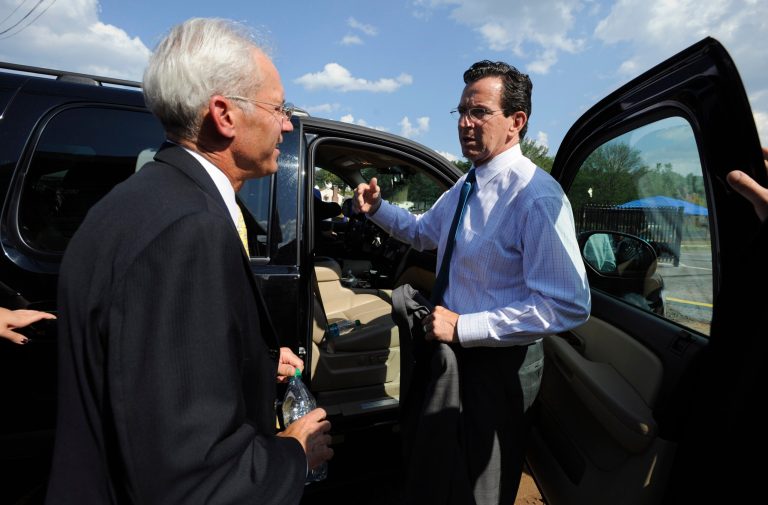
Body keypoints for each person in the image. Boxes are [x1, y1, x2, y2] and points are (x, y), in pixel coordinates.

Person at [46, 18, 332, 504]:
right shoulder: (187, 230)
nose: (287, 124)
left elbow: (151, 383)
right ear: (224, 115)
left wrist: (256, 367)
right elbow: (191, 477)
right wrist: (293, 454)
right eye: (278, 108)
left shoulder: (133, 202)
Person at [355, 60, 591, 504]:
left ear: (515, 122)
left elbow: (568, 305)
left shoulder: (535, 196)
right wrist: (378, 210)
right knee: (447, 470)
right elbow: (424, 231)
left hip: (498, 367)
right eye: (461, 112)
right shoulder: (467, 184)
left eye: (479, 112)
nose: (465, 123)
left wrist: (466, 327)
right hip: (453, 356)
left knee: (483, 485)